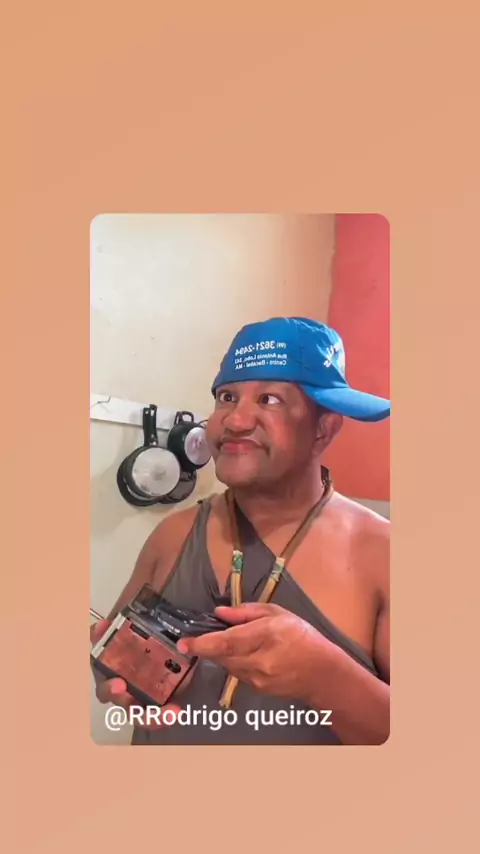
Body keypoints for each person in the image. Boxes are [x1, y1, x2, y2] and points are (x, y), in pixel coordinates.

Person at [91, 316, 390, 745]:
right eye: (227, 397)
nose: (234, 420)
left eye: (269, 399)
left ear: (323, 429)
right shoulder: (173, 534)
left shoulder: (383, 555)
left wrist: (327, 678)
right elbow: (112, 656)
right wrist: (122, 676)